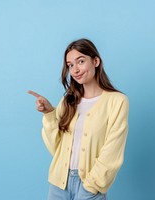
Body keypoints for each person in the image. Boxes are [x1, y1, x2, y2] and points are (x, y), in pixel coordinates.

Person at [28, 38, 129, 200]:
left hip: (90, 184)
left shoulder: (117, 101)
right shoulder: (68, 100)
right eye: (70, 65)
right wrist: (49, 114)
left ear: (96, 61)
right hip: (58, 184)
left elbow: (113, 149)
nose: (75, 70)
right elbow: (56, 148)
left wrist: (92, 185)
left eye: (80, 61)